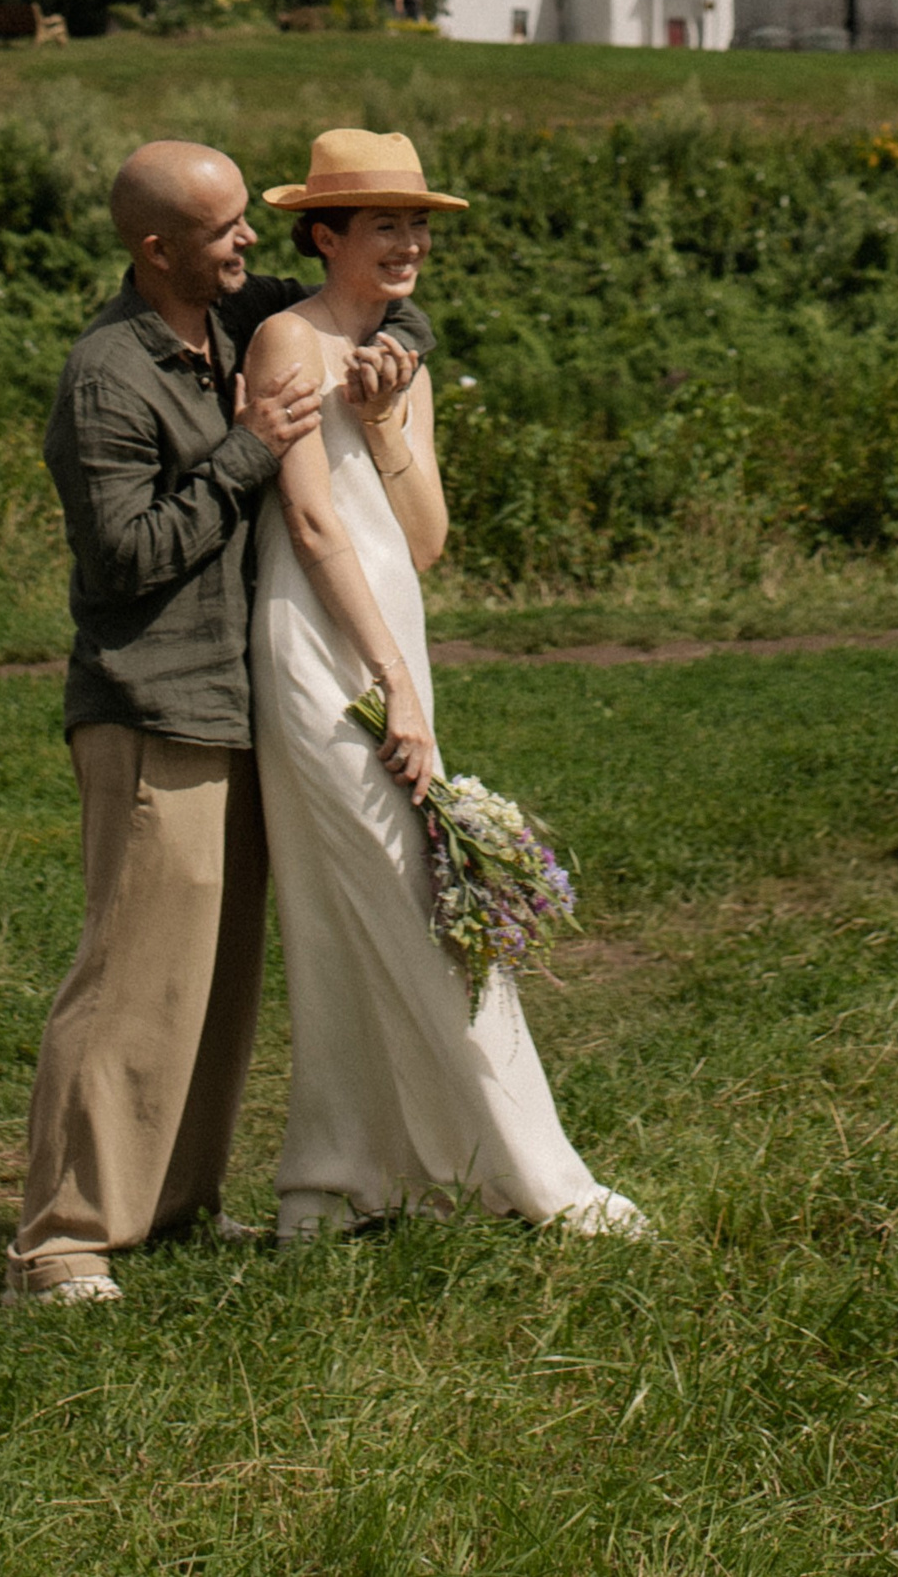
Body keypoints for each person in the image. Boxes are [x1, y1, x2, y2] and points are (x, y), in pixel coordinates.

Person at [7, 136, 431, 1304]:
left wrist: (392, 356)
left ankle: (178, 1207)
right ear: (157, 248)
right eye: (226, 226)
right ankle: (65, 1239)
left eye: (250, 218)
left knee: (216, 975)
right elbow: (125, 555)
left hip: (243, 700)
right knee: (130, 974)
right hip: (152, 703)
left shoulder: (237, 324)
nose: (252, 240)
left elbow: (377, 301)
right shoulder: (109, 374)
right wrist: (253, 448)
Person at [243, 127, 645, 1242]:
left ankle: (337, 1188)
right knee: (406, 901)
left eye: (417, 222)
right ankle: (537, 1180)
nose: (411, 241)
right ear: (323, 235)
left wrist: (381, 418)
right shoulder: (286, 336)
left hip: (390, 625)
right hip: (321, 645)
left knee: (373, 903)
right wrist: (395, 690)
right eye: (384, 224)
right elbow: (314, 520)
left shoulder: (398, 355)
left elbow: (423, 539)